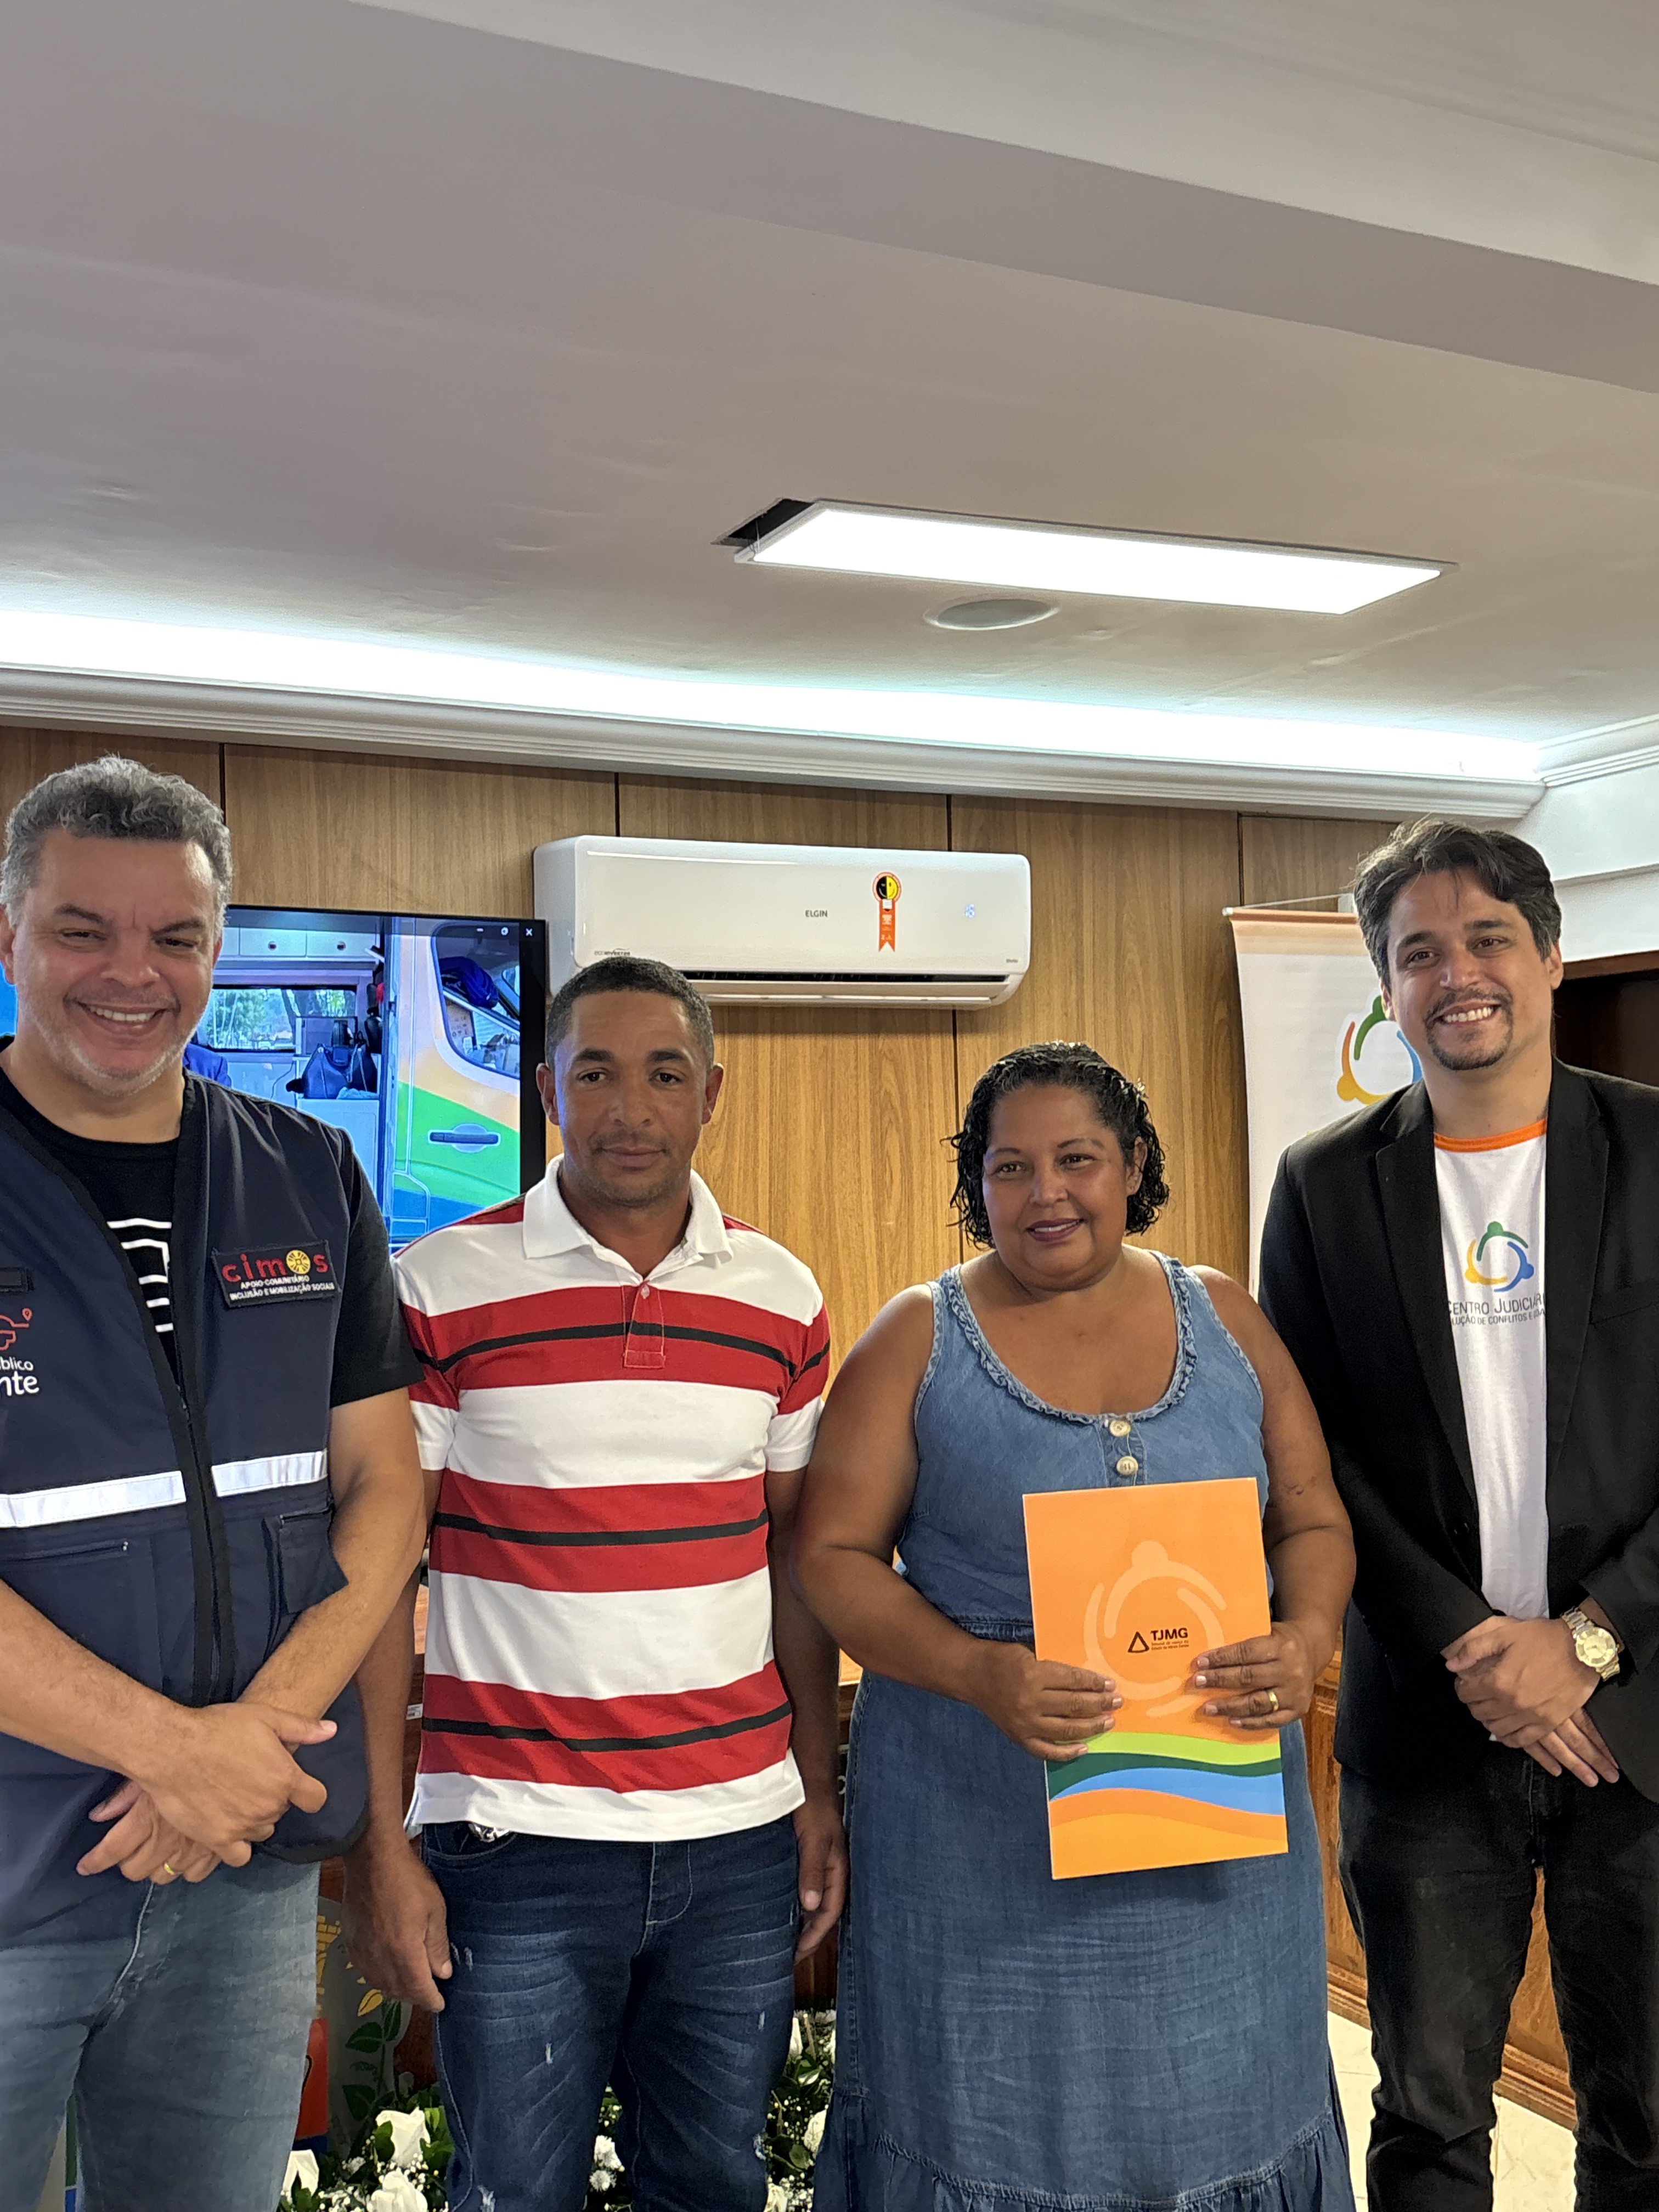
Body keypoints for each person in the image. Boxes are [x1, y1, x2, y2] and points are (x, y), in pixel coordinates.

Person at [793, 1041, 1356, 2211]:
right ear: (977, 1181)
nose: (1045, 1192)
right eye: (1011, 1167)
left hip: (1216, 1828)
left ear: (1134, 1164)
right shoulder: (916, 1336)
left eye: (1077, 1159)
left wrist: (1305, 1638)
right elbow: (831, 1562)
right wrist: (977, 1672)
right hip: (975, 1831)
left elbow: (1311, 1519)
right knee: (986, 2126)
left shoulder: (1227, 1317)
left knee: (1225, 2106)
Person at [342, 953, 847, 2212]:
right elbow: (378, 1573)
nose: (631, 1108)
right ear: (547, 1089)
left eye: (666, 1075)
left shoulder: (782, 1298)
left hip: (735, 1836)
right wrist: (381, 1840)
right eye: (597, 1074)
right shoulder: (441, 1286)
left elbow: (797, 1563)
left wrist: (814, 1794)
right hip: (514, 1837)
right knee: (514, 2190)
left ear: (712, 1093)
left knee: (711, 2184)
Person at [0, 755, 427, 2212]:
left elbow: (385, 1490)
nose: (133, 973)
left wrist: (242, 1748)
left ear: (218, 949)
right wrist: (177, 1755)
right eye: (83, 930)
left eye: (175, 937)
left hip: (240, 1871)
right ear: (11, 936)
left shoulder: (309, 1172)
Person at [1259, 819, 1659, 2211]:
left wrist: (1588, 1642)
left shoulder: (1657, 1147)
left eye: (1488, 939)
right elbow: (1309, 1451)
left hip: (1642, 1721)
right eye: (1418, 953)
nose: (1457, 975)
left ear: (1551, 959)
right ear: (1387, 989)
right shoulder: (1323, 1184)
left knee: (1648, 2119)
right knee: (1428, 2119)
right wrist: (1481, 1650)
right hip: (1430, 1730)